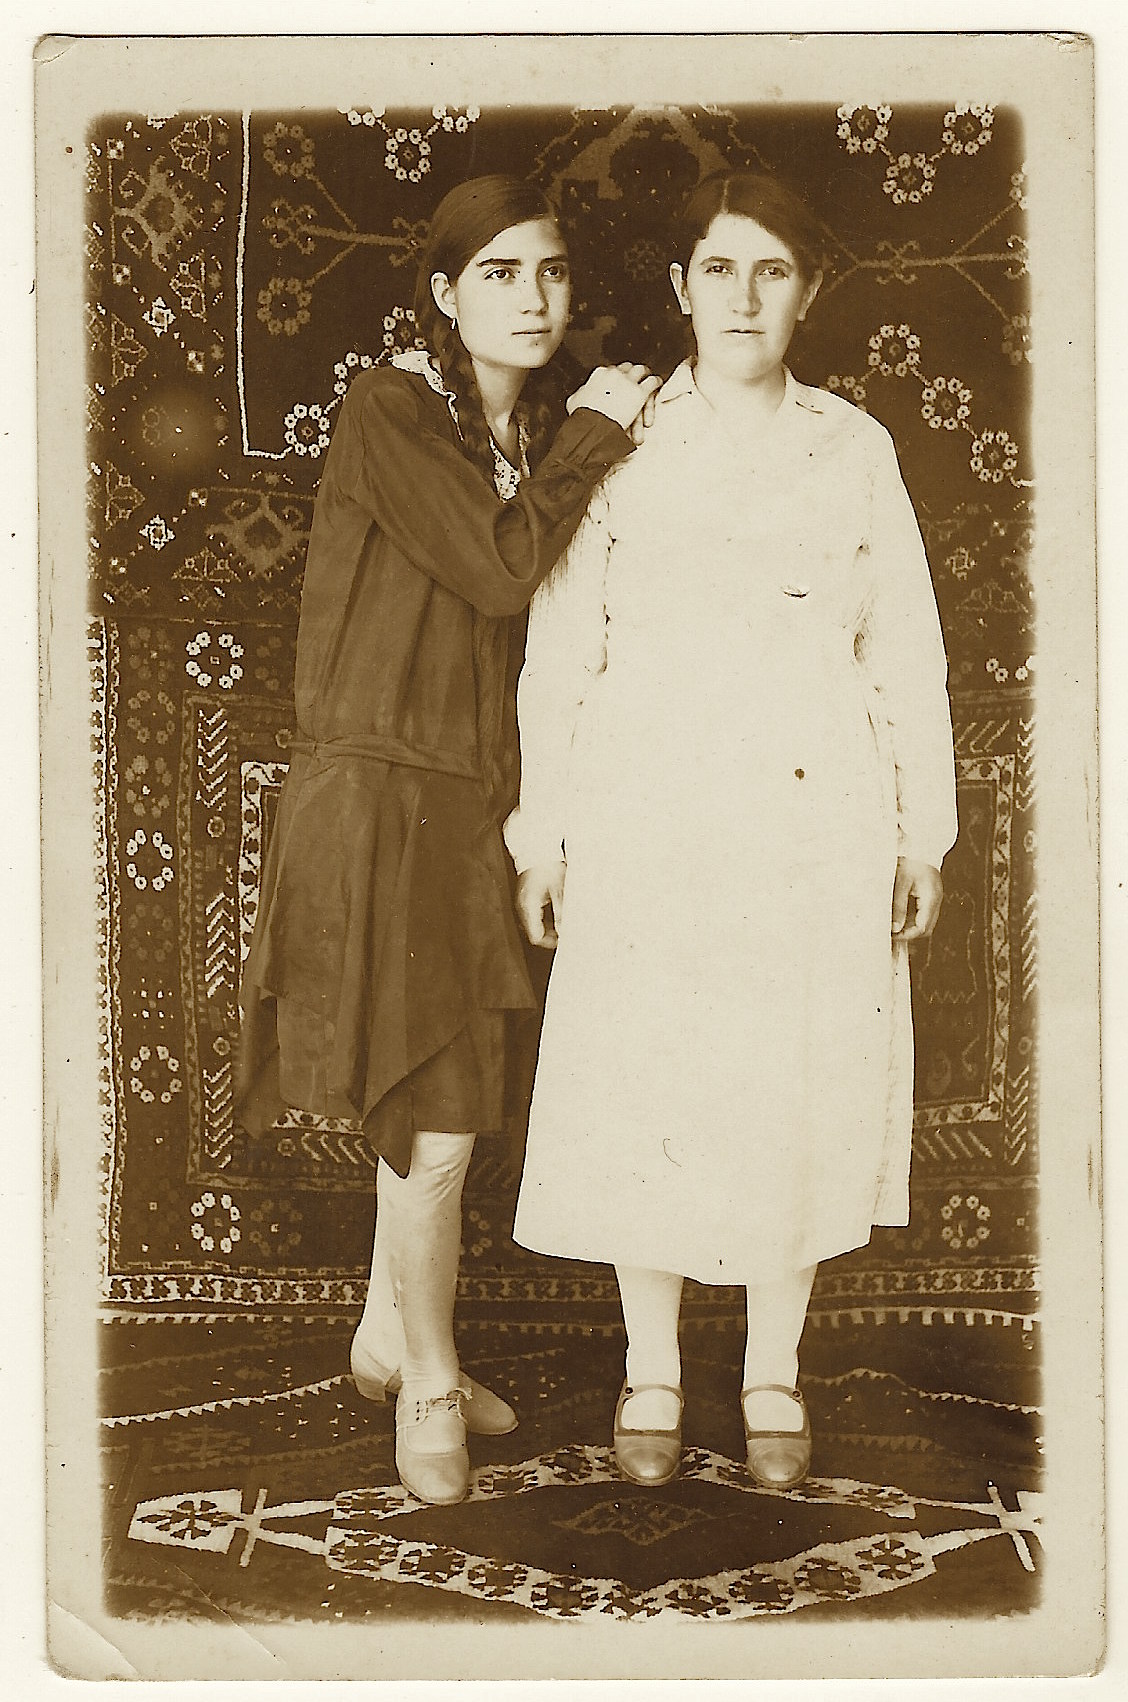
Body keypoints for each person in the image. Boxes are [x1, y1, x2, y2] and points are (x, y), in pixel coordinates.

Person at [504, 169, 958, 1491]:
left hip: (811, 817)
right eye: (720, 269)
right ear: (681, 287)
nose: (745, 299)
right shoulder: (621, 439)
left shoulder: (852, 448)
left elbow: (905, 647)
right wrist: (545, 836)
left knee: (789, 1076)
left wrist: (918, 834)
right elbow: (560, 649)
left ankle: (773, 1369)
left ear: (807, 292)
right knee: (647, 1070)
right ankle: (650, 1367)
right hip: (649, 809)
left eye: (772, 272)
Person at [236, 175, 659, 1505]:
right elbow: (495, 566)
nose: (533, 298)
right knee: (434, 1125)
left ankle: (386, 1333)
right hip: (381, 803)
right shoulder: (392, 408)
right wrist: (594, 435)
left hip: (469, 810)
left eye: (550, 272)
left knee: (448, 1109)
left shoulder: (520, 429)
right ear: (443, 294)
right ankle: (427, 1378)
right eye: (499, 273)